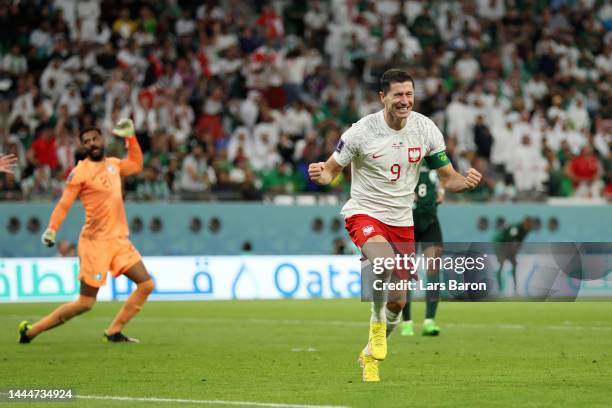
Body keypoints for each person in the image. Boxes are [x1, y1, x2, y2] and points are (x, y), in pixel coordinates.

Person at [308, 68, 482, 382]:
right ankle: (375, 322)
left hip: (403, 221)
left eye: (409, 94)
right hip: (365, 212)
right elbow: (331, 172)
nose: (405, 101)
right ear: (383, 97)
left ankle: (368, 356)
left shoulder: (426, 129)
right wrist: (321, 172)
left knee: (399, 301)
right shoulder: (361, 132)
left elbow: (448, 177)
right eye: (398, 95)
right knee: (383, 262)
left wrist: (464, 182)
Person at [18, 119, 155, 344]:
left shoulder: (113, 164)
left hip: (118, 240)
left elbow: (137, 165)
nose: (92, 143)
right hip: (95, 243)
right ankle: (31, 331)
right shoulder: (80, 172)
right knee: (85, 303)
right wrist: (52, 229)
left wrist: (131, 138)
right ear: (83, 147)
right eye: (86, 141)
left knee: (146, 284)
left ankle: (113, 331)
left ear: (102, 140)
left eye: (95, 138)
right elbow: (64, 203)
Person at [400, 163, 444, 337]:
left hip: (430, 221)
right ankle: (406, 322)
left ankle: (429, 321)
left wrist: (442, 191)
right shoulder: (402, 155)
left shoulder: (436, 158)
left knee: (433, 268)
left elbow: (446, 176)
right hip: (407, 222)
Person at [494, 217, 533, 295]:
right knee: (501, 264)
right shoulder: (515, 227)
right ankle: (499, 289)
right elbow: (509, 239)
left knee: (514, 264)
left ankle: (515, 289)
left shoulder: (527, 230)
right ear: (524, 223)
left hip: (508, 246)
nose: (528, 226)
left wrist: (515, 250)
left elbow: (520, 242)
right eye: (527, 224)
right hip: (500, 244)